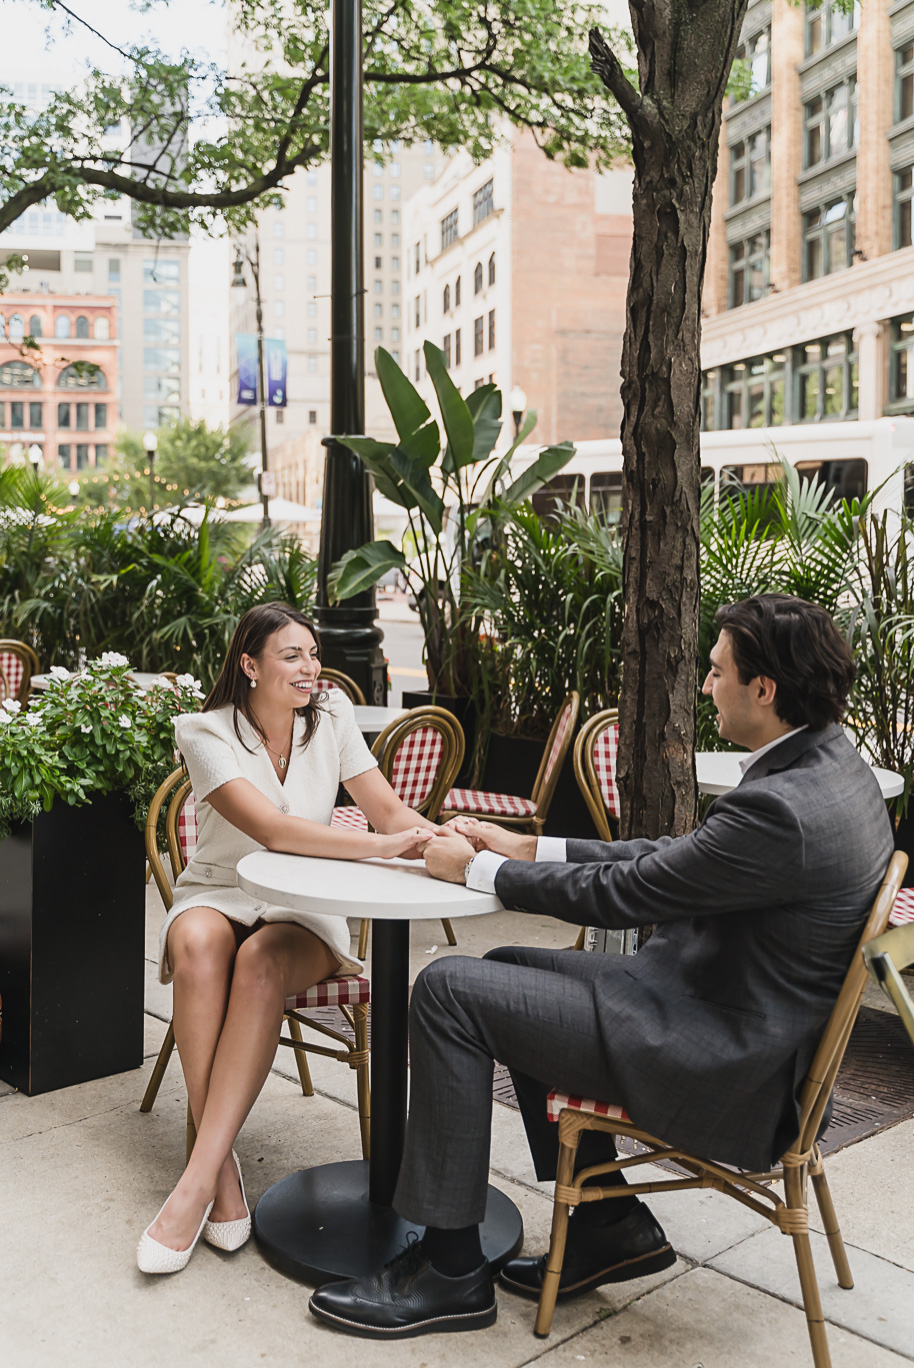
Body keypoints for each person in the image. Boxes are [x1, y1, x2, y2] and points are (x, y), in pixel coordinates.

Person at [308, 594, 895, 1338]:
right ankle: (609, 1225)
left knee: (450, 988)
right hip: (735, 1021)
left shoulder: (782, 809)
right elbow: (672, 862)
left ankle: (451, 1270)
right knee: (516, 963)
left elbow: (630, 891)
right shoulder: (829, 767)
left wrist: (473, 872)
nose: (706, 686)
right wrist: (522, 848)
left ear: (764, 689)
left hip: (722, 1063)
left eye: (716, 673)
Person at [137, 602, 433, 1274]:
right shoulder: (204, 730)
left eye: (313, 654)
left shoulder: (330, 718)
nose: (310, 668)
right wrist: (377, 846)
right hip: (219, 887)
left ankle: (194, 1182)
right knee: (201, 947)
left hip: (306, 905)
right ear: (249, 665)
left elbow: (385, 807)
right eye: (291, 656)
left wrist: (436, 835)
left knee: (262, 963)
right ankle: (221, 1176)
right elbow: (269, 830)